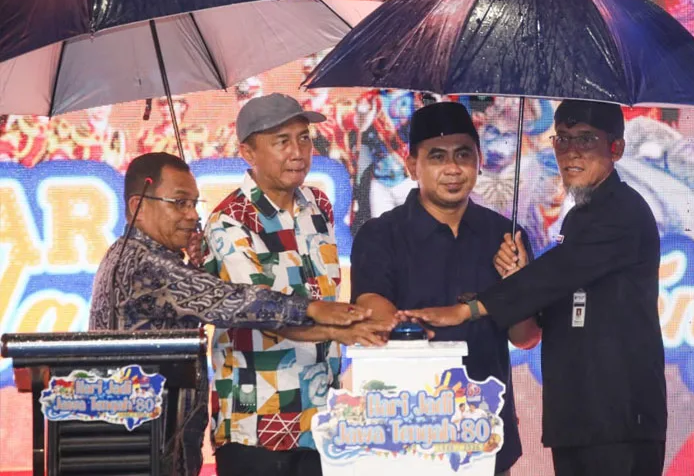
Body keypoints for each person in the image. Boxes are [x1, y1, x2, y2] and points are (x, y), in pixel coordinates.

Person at [404, 100, 667, 476]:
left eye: (586, 140)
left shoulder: (623, 212)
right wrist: (518, 277)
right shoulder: (579, 217)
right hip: (577, 418)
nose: (571, 152)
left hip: (619, 419)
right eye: (562, 139)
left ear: (617, 148)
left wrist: (468, 309)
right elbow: (550, 298)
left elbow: (558, 273)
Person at [88, 152, 371, 476]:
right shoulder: (146, 264)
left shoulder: (129, 254)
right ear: (138, 206)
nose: (192, 215)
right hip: (141, 445)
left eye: (194, 203)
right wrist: (314, 309)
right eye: (179, 203)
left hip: (140, 440)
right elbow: (233, 302)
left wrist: (193, 267)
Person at [203, 93, 393, 476]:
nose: (298, 152)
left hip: (320, 420)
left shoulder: (317, 205)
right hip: (256, 424)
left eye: (303, 138)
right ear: (248, 153)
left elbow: (323, 291)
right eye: (282, 141)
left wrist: (355, 323)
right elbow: (261, 310)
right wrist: (342, 330)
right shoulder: (230, 221)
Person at [351, 101, 541, 476]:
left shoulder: (505, 236)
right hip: (410, 431)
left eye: (463, 155)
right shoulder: (381, 235)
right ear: (412, 165)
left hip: (486, 432)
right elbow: (371, 307)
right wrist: (405, 327)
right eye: (437, 157)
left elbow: (526, 338)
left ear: (479, 161)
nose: (453, 169)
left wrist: (517, 286)